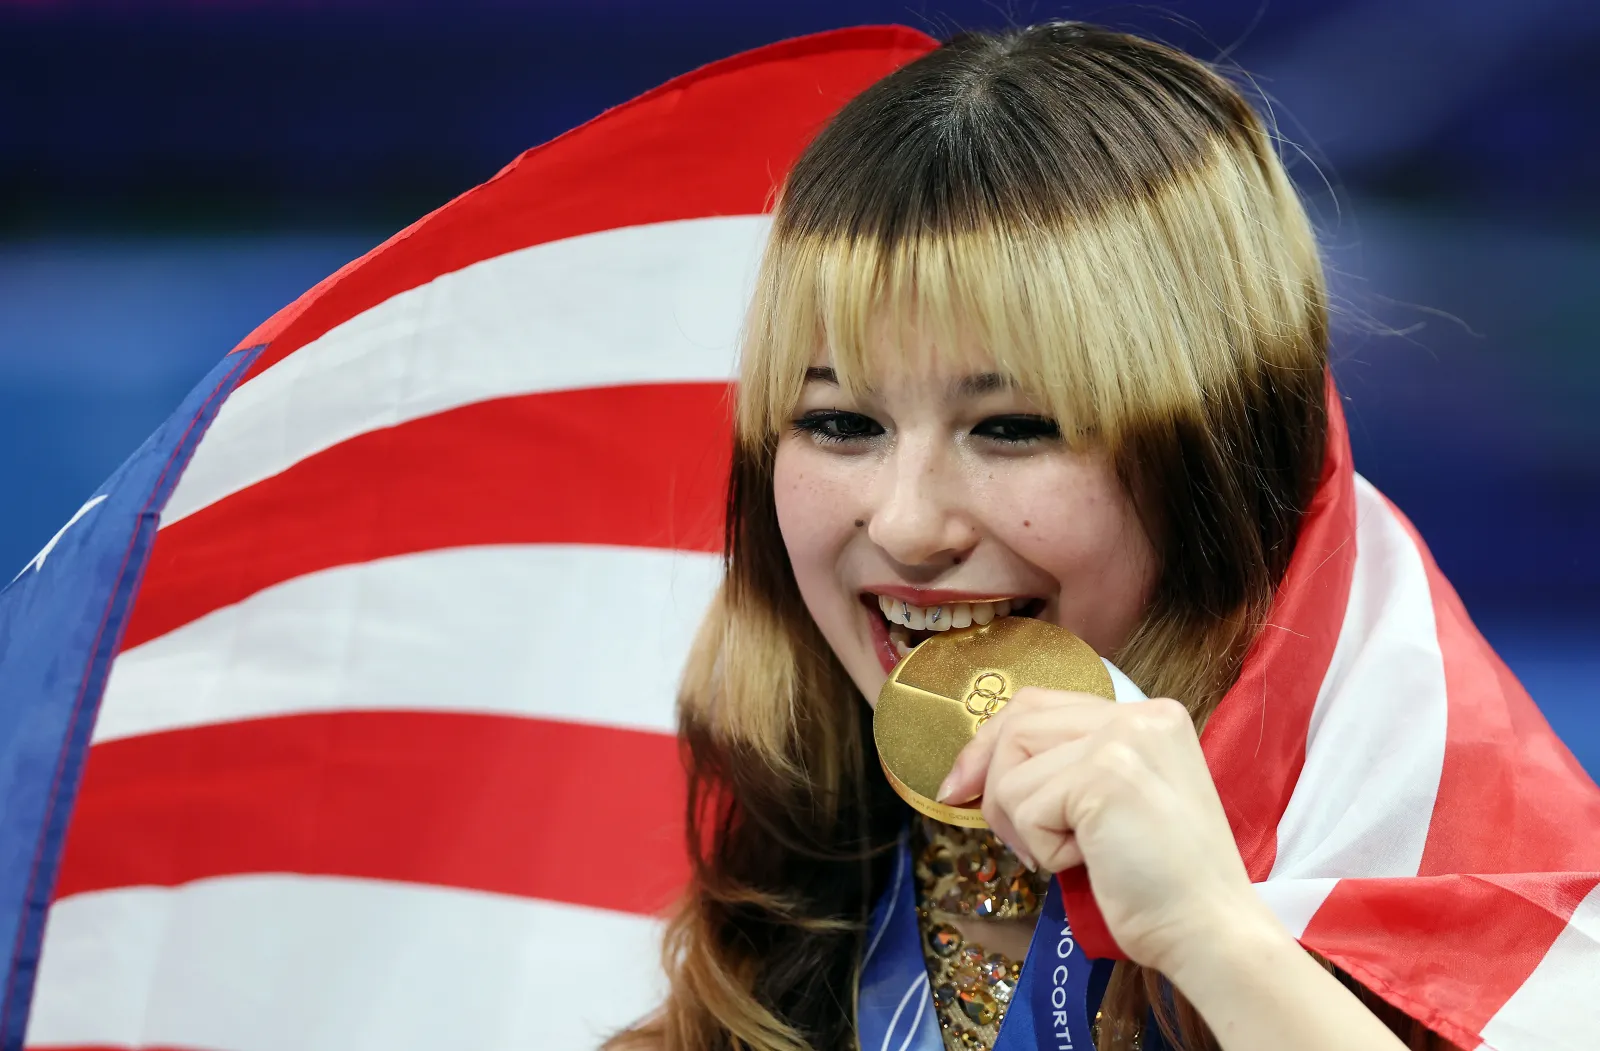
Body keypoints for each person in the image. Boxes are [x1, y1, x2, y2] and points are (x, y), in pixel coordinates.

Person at [609, 22, 1572, 1051]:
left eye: (1013, 427)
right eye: (841, 423)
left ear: (1209, 454)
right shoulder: (751, 894)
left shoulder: (1504, 914)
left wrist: (1213, 938)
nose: (906, 523)